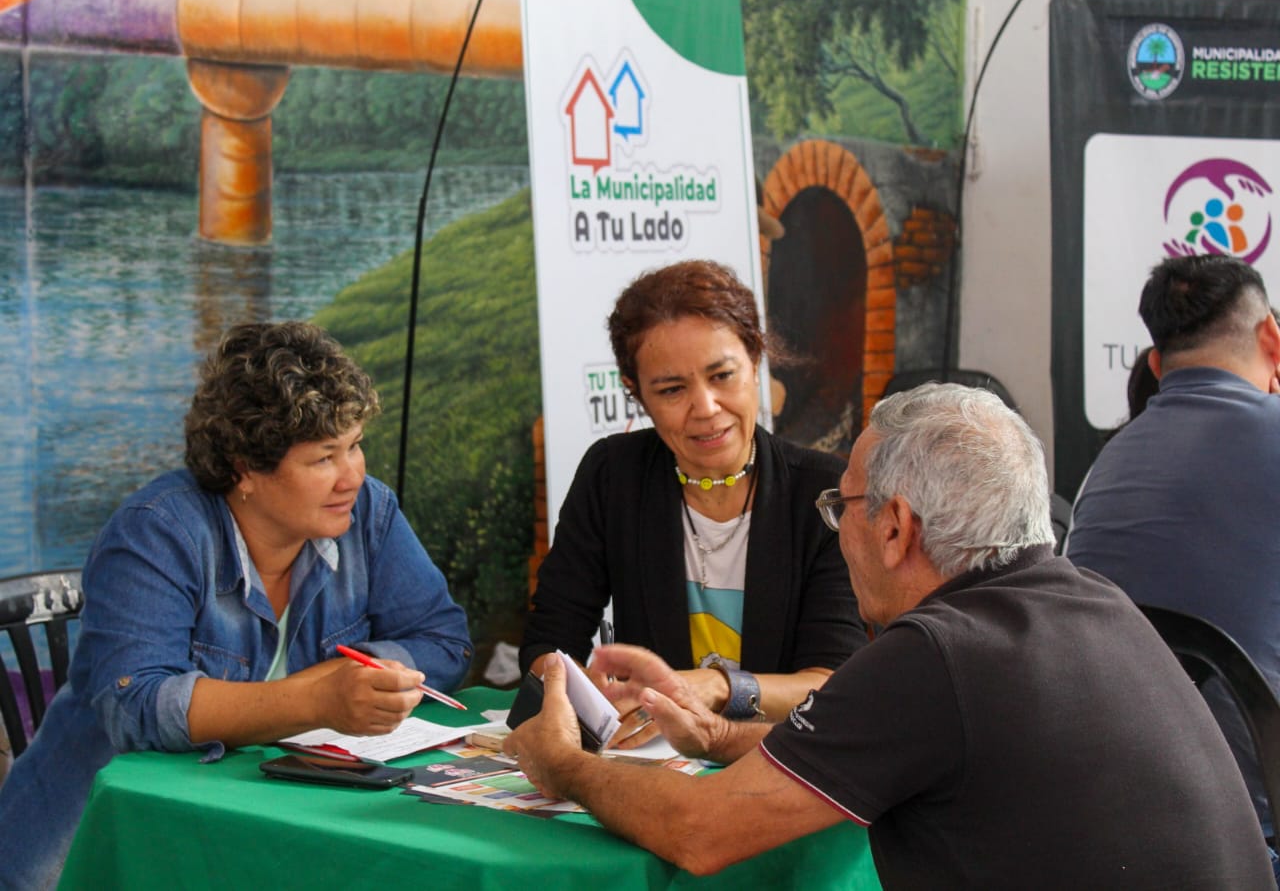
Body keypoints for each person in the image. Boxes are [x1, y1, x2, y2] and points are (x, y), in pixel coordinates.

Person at [505, 382, 1273, 889]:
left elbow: (700, 831)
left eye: (841, 508)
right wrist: (715, 734)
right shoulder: (1091, 599)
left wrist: (565, 764)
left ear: (897, 526)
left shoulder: (937, 653)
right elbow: (861, 755)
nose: (836, 530)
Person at [0, 321, 473, 889]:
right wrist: (317, 698)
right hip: (101, 843)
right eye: (323, 458)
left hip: (261, 824)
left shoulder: (369, 513)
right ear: (245, 467)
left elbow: (445, 642)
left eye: (355, 445)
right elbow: (137, 706)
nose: (353, 476)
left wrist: (358, 682)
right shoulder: (156, 532)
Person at [519, 260, 866, 732]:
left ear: (755, 361)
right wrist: (590, 704)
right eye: (672, 390)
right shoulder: (613, 476)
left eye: (722, 376)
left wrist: (719, 687)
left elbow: (831, 684)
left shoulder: (824, 494)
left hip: (780, 755)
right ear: (636, 393)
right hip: (652, 756)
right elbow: (549, 643)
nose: (705, 408)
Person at [1068, 254, 1280, 879]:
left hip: (1119, 821)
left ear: (1157, 365)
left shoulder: (1105, 466)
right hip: (1255, 833)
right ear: (1271, 337)